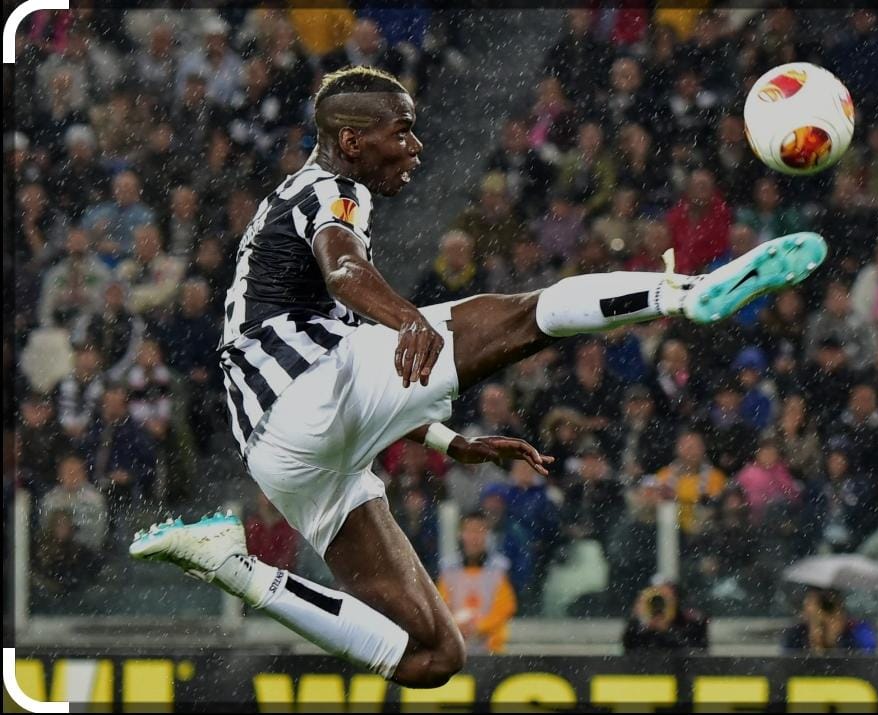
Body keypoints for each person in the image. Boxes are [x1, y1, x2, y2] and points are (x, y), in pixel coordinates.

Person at [130, 65, 827, 688]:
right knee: (527, 315)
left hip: (282, 451)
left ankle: (235, 569)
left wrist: (447, 440)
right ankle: (683, 295)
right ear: (350, 141)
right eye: (400, 132)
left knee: (433, 655)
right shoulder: (333, 190)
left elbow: (340, 344)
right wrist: (406, 318)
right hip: (305, 392)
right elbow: (343, 268)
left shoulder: (292, 195)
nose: (415, 146)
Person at [437, 512, 517, 655]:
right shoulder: (449, 569)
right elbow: (440, 606)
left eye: (480, 531)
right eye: (470, 531)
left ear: (487, 535)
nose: (474, 537)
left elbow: (505, 607)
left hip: (492, 649)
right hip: (455, 648)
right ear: (461, 534)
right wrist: (456, 626)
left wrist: (479, 627)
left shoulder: (499, 568)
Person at [622, 578, 708, 652]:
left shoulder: (690, 623)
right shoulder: (637, 628)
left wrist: (666, 630)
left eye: (665, 597)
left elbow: (693, 652)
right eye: (655, 598)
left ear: (676, 599)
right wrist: (642, 622)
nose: (659, 604)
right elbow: (630, 649)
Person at [780, 588, 877, 653]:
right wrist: (814, 644)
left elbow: (867, 657)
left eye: (827, 607)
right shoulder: (796, 634)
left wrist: (833, 640)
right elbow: (787, 664)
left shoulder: (856, 631)